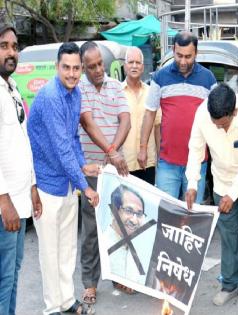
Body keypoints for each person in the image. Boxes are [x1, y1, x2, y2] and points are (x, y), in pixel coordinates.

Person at [27, 42, 100, 315]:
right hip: (46, 184)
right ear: (57, 67)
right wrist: (86, 187)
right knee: (49, 252)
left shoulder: (76, 94)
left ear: (81, 69)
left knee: (67, 248)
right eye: (66, 68)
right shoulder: (49, 96)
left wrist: (84, 167)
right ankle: (52, 308)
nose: (71, 73)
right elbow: (60, 148)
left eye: (75, 68)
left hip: (67, 184)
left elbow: (72, 140)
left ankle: (67, 301)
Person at [185, 83, 238, 309]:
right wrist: (192, 183)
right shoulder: (202, 114)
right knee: (228, 237)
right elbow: (196, 149)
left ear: (234, 112)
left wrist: (234, 193)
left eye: (224, 124)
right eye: (215, 125)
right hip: (221, 181)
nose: (219, 129)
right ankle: (229, 285)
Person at [78, 41, 131, 301]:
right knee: (90, 229)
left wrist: (114, 153)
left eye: (100, 64)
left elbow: (126, 120)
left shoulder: (116, 86)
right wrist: (112, 152)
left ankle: (120, 278)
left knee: (119, 225)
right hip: (91, 170)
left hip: (115, 169)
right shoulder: (79, 88)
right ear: (84, 67)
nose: (98, 70)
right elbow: (87, 124)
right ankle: (90, 283)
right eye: (92, 66)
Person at [139, 31, 217, 202]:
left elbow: (216, 117)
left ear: (196, 53)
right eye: (179, 55)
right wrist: (143, 147)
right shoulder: (160, 77)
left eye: (188, 56)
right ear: (173, 50)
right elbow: (149, 113)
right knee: (166, 213)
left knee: (193, 215)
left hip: (197, 164)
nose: (183, 61)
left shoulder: (208, 78)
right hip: (168, 163)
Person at [0, 23, 42, 315]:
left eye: (15, 46)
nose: (11, 52)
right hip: (5, 205)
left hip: (20, 196)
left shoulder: (11, 88)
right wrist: (4, 201)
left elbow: (21, 142)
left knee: (13, 276)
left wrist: (32, 186)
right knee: (4, 281)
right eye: (4, 46)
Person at [122, 47, 161, 184]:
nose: (134, 66)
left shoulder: (152, 93)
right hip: (123, 163)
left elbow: (157, 127)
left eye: (138, 63)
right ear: (124, 66)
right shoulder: (117, 93)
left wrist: (159, 159)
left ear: (143, 67)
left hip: (147, 163)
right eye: (130, 62)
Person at [105, 184, 147, 282]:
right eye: (129, 211)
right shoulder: (101, 245)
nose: (134, 220)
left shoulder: (142, 250)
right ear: (114, 211)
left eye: (139, 214)